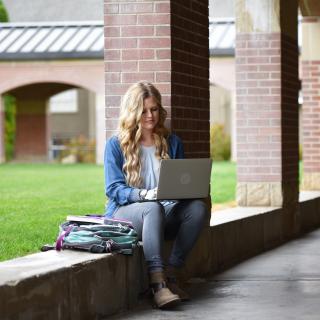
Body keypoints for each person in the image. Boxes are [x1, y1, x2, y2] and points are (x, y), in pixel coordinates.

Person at [104, 81, 208, 309]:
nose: (150, 115)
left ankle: (171, 274)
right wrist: (144, 194)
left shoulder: (172, 142)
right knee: (152, 206)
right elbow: (113, 189)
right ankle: (158, 284)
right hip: (128, 215)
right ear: (132, 112)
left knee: (198, 208)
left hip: (163, 212)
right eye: (143, 111)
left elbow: (181, 182)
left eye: (154, 109)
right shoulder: (115, 145)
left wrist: (190, 190)